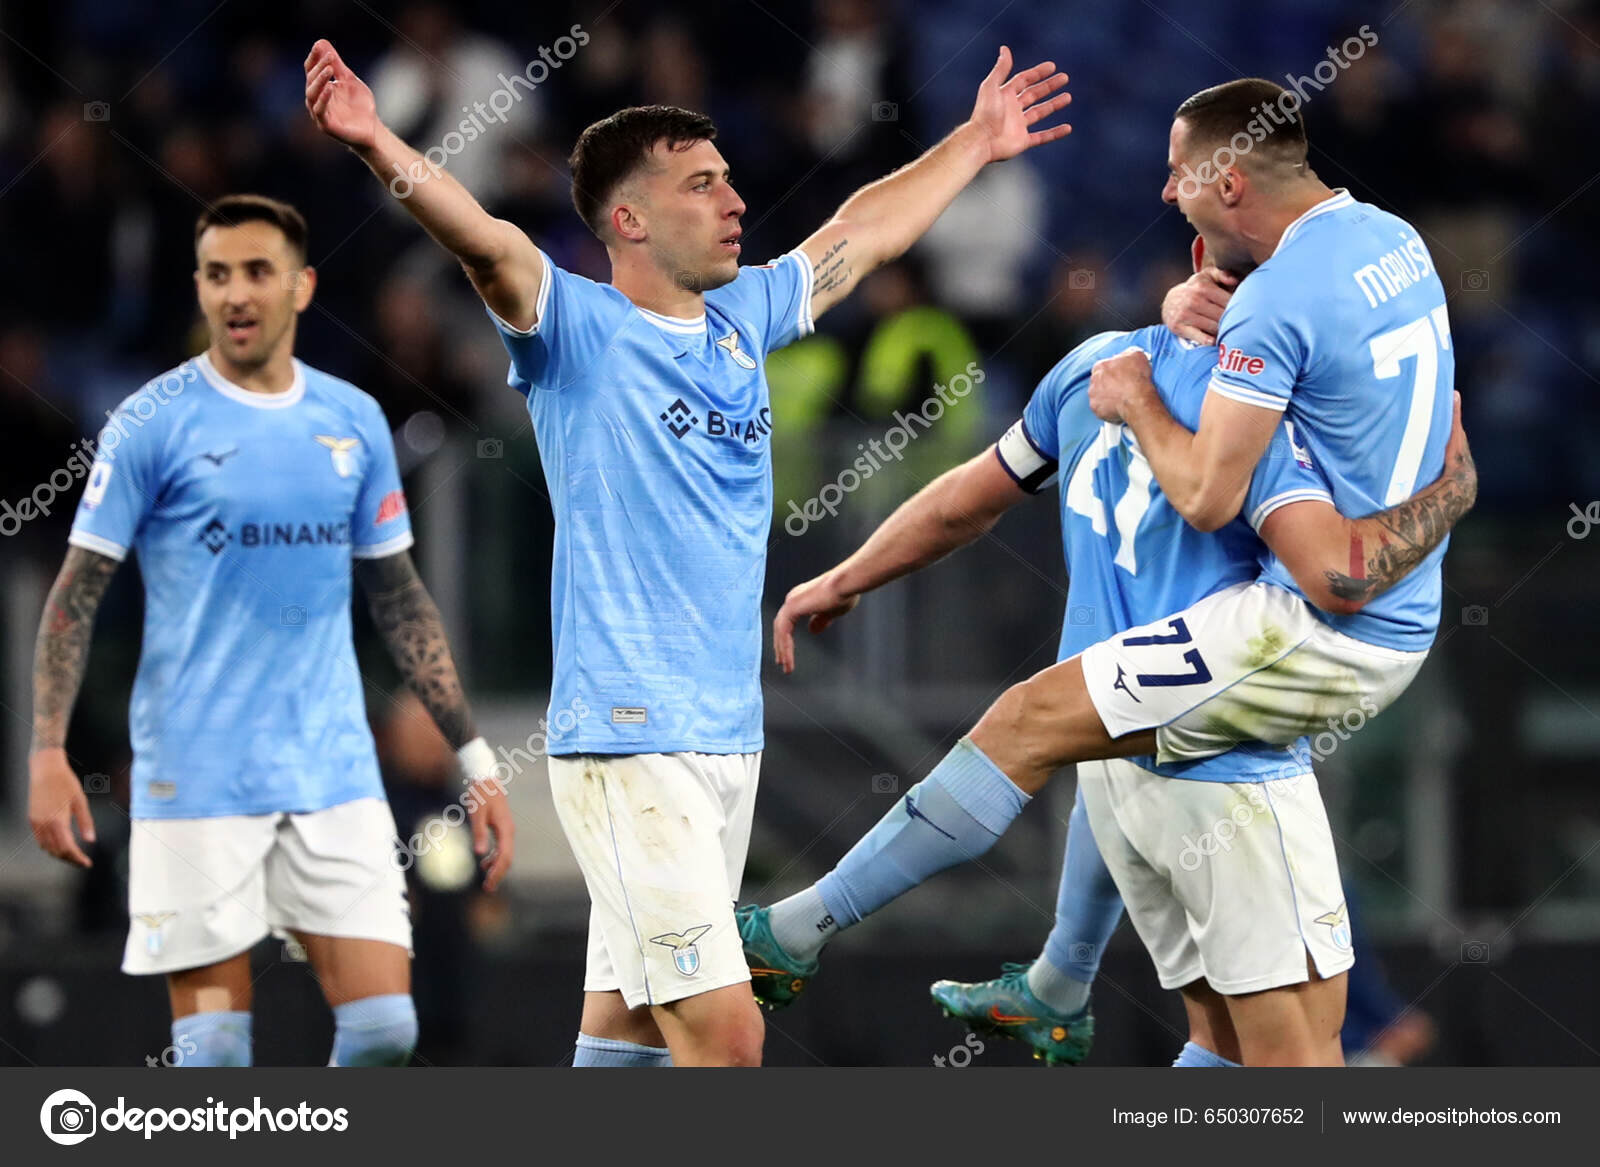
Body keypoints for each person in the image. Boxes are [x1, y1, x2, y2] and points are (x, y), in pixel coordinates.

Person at [304, 38, 1072, 1067]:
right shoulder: (574, 327)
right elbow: (482, 240)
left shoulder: (741, 318)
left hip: (723, 736)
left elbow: (862, 234)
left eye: (729, 181)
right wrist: (374, 143)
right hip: (630, 740)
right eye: (702, 185)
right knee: (724, 1035)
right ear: (628, 218)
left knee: (622, 1037)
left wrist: (974, 143)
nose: (734, 201)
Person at [740, 236, 1475, 1067]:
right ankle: (844, 939)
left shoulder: (1095, 366)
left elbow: (964, 502)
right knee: (1296, 1064)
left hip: (1119, 747)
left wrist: (848, 575)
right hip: (1222, 772)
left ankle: (1050, 979)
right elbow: (1337, 567)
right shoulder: (1261, 423)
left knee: (1221, 1046)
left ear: (1196, 257)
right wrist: (1447, 492)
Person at [26, 194, 514, 1067]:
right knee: (213, 1052)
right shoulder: (150, 422)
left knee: (384, 1032)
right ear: (200, 288)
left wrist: (471, 752)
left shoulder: (353, 420)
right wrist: (50, 749)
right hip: (198, 773)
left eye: (258, 271)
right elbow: (76, 593)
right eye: (218, 274)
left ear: (302, 286)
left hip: (331, 769)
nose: (237, 292)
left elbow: (396, 595)